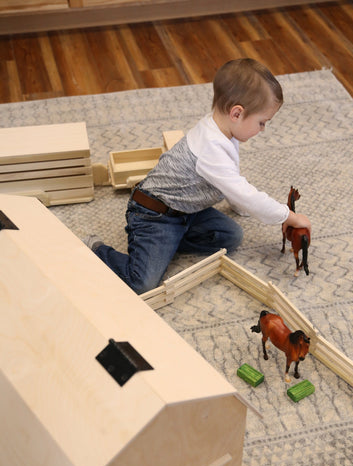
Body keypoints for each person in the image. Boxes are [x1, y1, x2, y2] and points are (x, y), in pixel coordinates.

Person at [84, 58, 311, 294]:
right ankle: (98, 251)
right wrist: (288, 216)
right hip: (153, 214)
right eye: (262, 122)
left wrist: (238, 206)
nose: (263, 129)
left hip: (187, 211)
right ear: (236, 113)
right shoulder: (211, 148)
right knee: (142, 283)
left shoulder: (224, 131)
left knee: (231, 236)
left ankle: (168, 244)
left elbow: (230, 181)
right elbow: (246, 195)